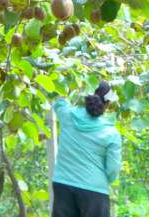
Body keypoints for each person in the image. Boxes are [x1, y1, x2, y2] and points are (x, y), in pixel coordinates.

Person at [51, 81, 122, 217]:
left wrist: (74, 85)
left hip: (63, 185)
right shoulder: (111, 133)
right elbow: (113, 169)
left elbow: (59, 101)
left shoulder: (67, 114)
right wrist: (101, 180)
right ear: (107, 104)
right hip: (95, 190)